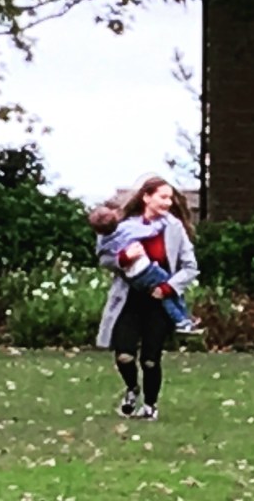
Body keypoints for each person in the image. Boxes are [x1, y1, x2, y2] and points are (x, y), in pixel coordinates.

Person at [95, 177, 199, 422]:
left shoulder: (174, 228)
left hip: (159, 300)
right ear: (146, 197)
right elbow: (104, 257)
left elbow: (190, 267)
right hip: (129, 298)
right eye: (163, 196)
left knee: (151, 359)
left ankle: (150, 406)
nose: (168, 202)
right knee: (124, 353)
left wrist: (167, 288)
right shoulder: (125, 226)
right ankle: (132, 389)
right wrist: (123, 258)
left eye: (170, 198)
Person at [89, 204, 202, 333]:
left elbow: (102, 255)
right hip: (146, 270)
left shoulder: (104, 240)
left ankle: (184, 319)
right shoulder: (127, 229)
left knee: (165, 293)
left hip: (133, 276)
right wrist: (165, 219)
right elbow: (151, 230)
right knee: (170, 289)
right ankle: (182, 320)